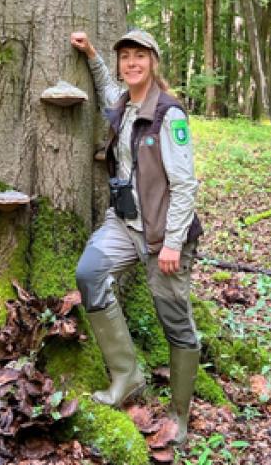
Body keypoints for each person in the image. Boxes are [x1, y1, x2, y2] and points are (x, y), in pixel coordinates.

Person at [70, 29, 203, 445]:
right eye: (125, 57)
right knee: (89, 273)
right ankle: (126, 377)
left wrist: (172, 243)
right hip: (124, 225)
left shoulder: (169, 115)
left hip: (164, 235)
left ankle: (179, 419)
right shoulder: (124, 103)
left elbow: (185, 186)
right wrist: (92, 53)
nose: (131, 64)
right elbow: (109, 85)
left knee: (176, 324)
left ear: (154, 62)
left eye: (139, 57)